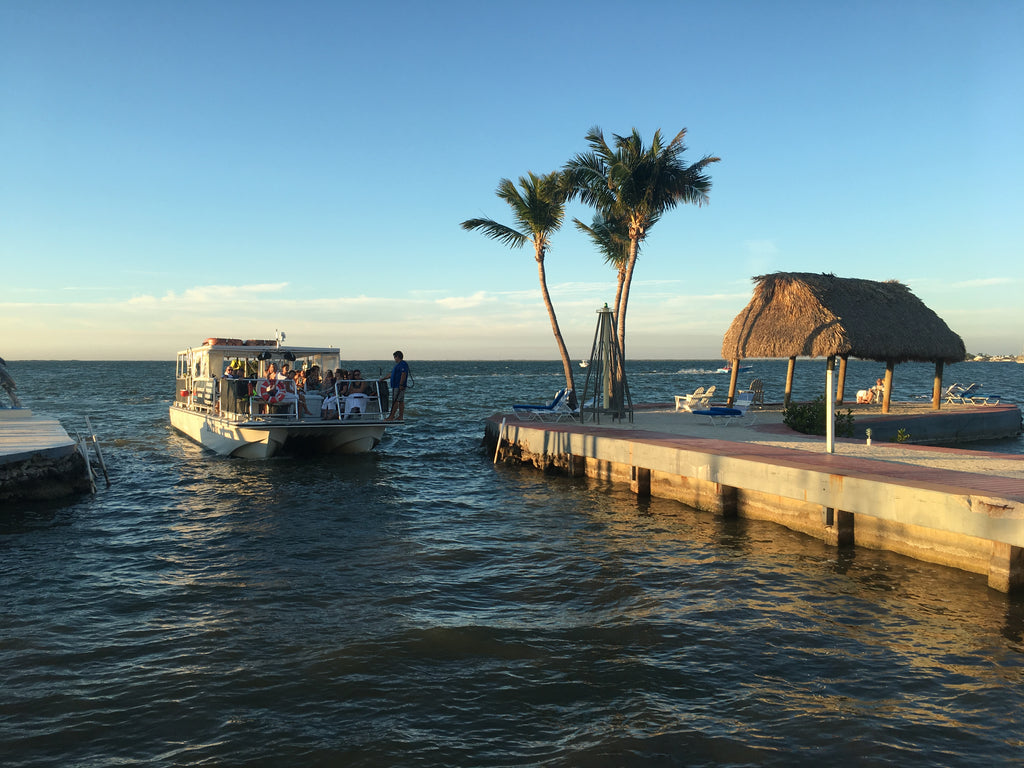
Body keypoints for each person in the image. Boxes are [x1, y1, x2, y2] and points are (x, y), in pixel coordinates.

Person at [381, 350, 409, 421]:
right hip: (395, 386)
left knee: (396, 401)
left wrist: (401, 384)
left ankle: (392, 417)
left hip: (398, 386)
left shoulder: (403, 364)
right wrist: (383, 378)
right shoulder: (397, 365)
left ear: (398, 357)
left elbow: (403, 374)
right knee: (399, 400)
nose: (394, 359)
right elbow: (391, 374)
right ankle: (399, 416)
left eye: (395, 357)